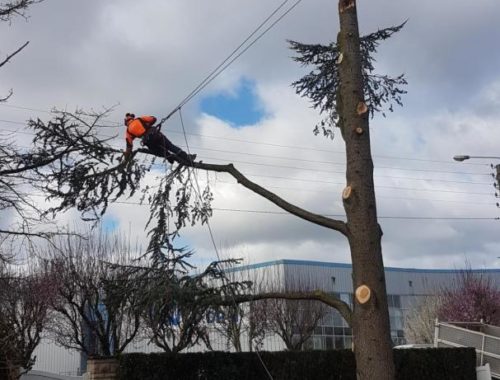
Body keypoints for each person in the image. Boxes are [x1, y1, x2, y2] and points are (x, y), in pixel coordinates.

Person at [124, 113, 196, 164]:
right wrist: (148, 126)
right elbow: (153, 119)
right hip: (156, 135)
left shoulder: (128, 131)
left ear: (126, 123)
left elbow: (129, 146)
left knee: (159, 151)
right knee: (170, 146)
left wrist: (126, 158)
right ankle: (186, 157)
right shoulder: (139, 119)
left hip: (149, 142)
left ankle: (171, 158)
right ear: (132, 118)